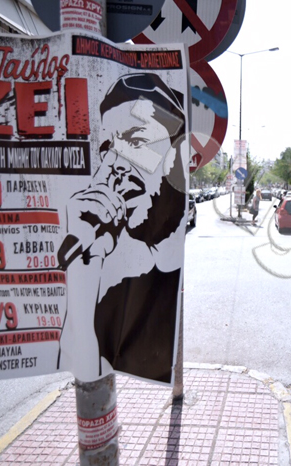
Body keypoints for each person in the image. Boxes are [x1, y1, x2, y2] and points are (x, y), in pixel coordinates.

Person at [57, 72, 188, 383]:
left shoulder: (182, 288)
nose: (114, 168)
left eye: (136, 142)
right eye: (108, 149)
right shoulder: (115, 296)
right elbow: (84, 367)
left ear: (179, 157)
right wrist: (85, 266)